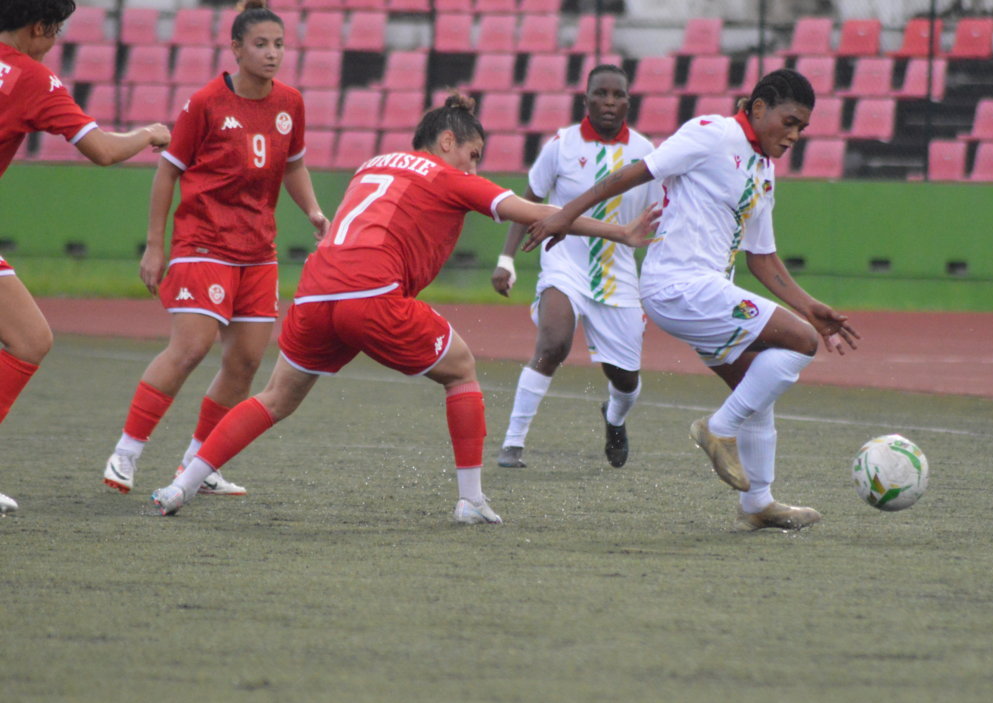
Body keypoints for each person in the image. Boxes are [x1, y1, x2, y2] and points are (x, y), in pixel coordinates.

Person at [147, 94, 658, 522]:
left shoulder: (373, 163)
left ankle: (181, 485)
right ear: (447, 142)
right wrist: (619, 231)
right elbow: (542, 211)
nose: (474, 168)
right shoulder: (445, 175)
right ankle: (472, 500)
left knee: (276, 397)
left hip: (316, 293)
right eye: (472, 154)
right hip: (371, 295)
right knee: (461, 370)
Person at [525, 68, 859, 531]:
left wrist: (810, 307)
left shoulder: (763, 170)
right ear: (759, 108)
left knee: (758, 391)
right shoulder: (711, 133)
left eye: (802, 128)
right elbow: (631, 174)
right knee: (801, 343)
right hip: (677, 285)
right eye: (789, 121)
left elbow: (762, 259)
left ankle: (757, 505)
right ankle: (718, 429)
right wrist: (565, 215)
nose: (795, 135)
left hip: (706, 294)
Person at [101, 0, 329, 497]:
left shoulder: (291, 103)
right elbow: (168, 173)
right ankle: (126, 453)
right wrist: (155, 247)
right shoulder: (205, 103)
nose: (272, 53)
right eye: (261, 44)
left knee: (246, 363)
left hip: (258, 252)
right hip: (203, 243)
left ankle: (196, 466)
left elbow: (293, 165)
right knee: (190, 349)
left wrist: (311, 209)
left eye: (279, 45)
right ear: (236, 49)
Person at [0, 0, 170, 514]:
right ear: (38, 28)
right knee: (30, 340)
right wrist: (148, 132)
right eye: (56, 30)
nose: (55, 41)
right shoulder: (32, 77)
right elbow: (101, 150)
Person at [490, 64, 662, 470]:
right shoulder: (561, 145)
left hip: (618, 275)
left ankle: (614, 417)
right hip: (564, 261)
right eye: (600, 93)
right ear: (585, 98)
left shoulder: (647, 154)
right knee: (553, 345)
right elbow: (527, 202)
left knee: (625, 379)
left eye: (617, 95)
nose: (608, 102)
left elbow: (660, 216)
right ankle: (512, 444)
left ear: (628, 102)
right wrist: (506, 258)